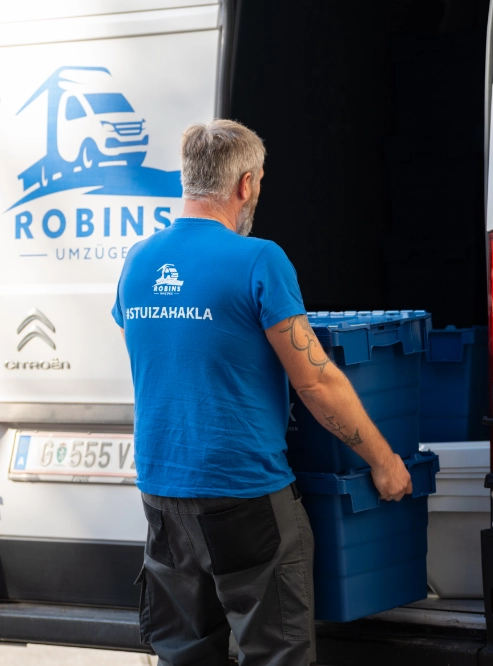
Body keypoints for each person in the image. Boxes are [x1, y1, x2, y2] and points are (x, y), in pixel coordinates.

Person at [111, 119, 412, 666]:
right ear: (245, 184)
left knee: (184, 656)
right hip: (244, 495)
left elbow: (166, 349)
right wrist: (384, 459)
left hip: (162, 495)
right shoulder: (258, 260)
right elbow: (316, 380)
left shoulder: (139, 261)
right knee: (276, 654)